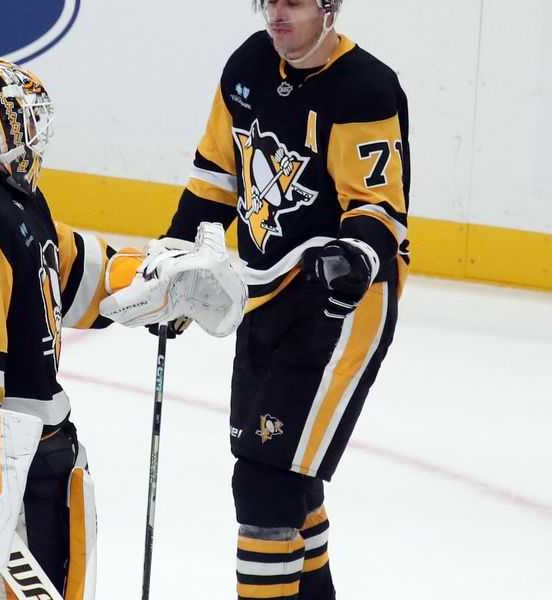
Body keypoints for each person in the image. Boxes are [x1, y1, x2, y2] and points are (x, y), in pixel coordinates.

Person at [0, 58, 245, 600]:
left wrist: (159, 281)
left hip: (39, 456)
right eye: (29, 123)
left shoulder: (11, 200)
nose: (37, 138)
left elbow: (76, 273)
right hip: (0, 468)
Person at [159, 1, 410, 598]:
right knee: (289, 479)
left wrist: (355, 256)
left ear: (328, 7)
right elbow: (214, 178)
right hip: (262, 298)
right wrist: (173, 268)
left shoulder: (365, 89)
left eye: (293, 1)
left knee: (264, 484)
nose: (276, 13)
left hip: (341, 310)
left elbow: (379, 210)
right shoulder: (247, 64)